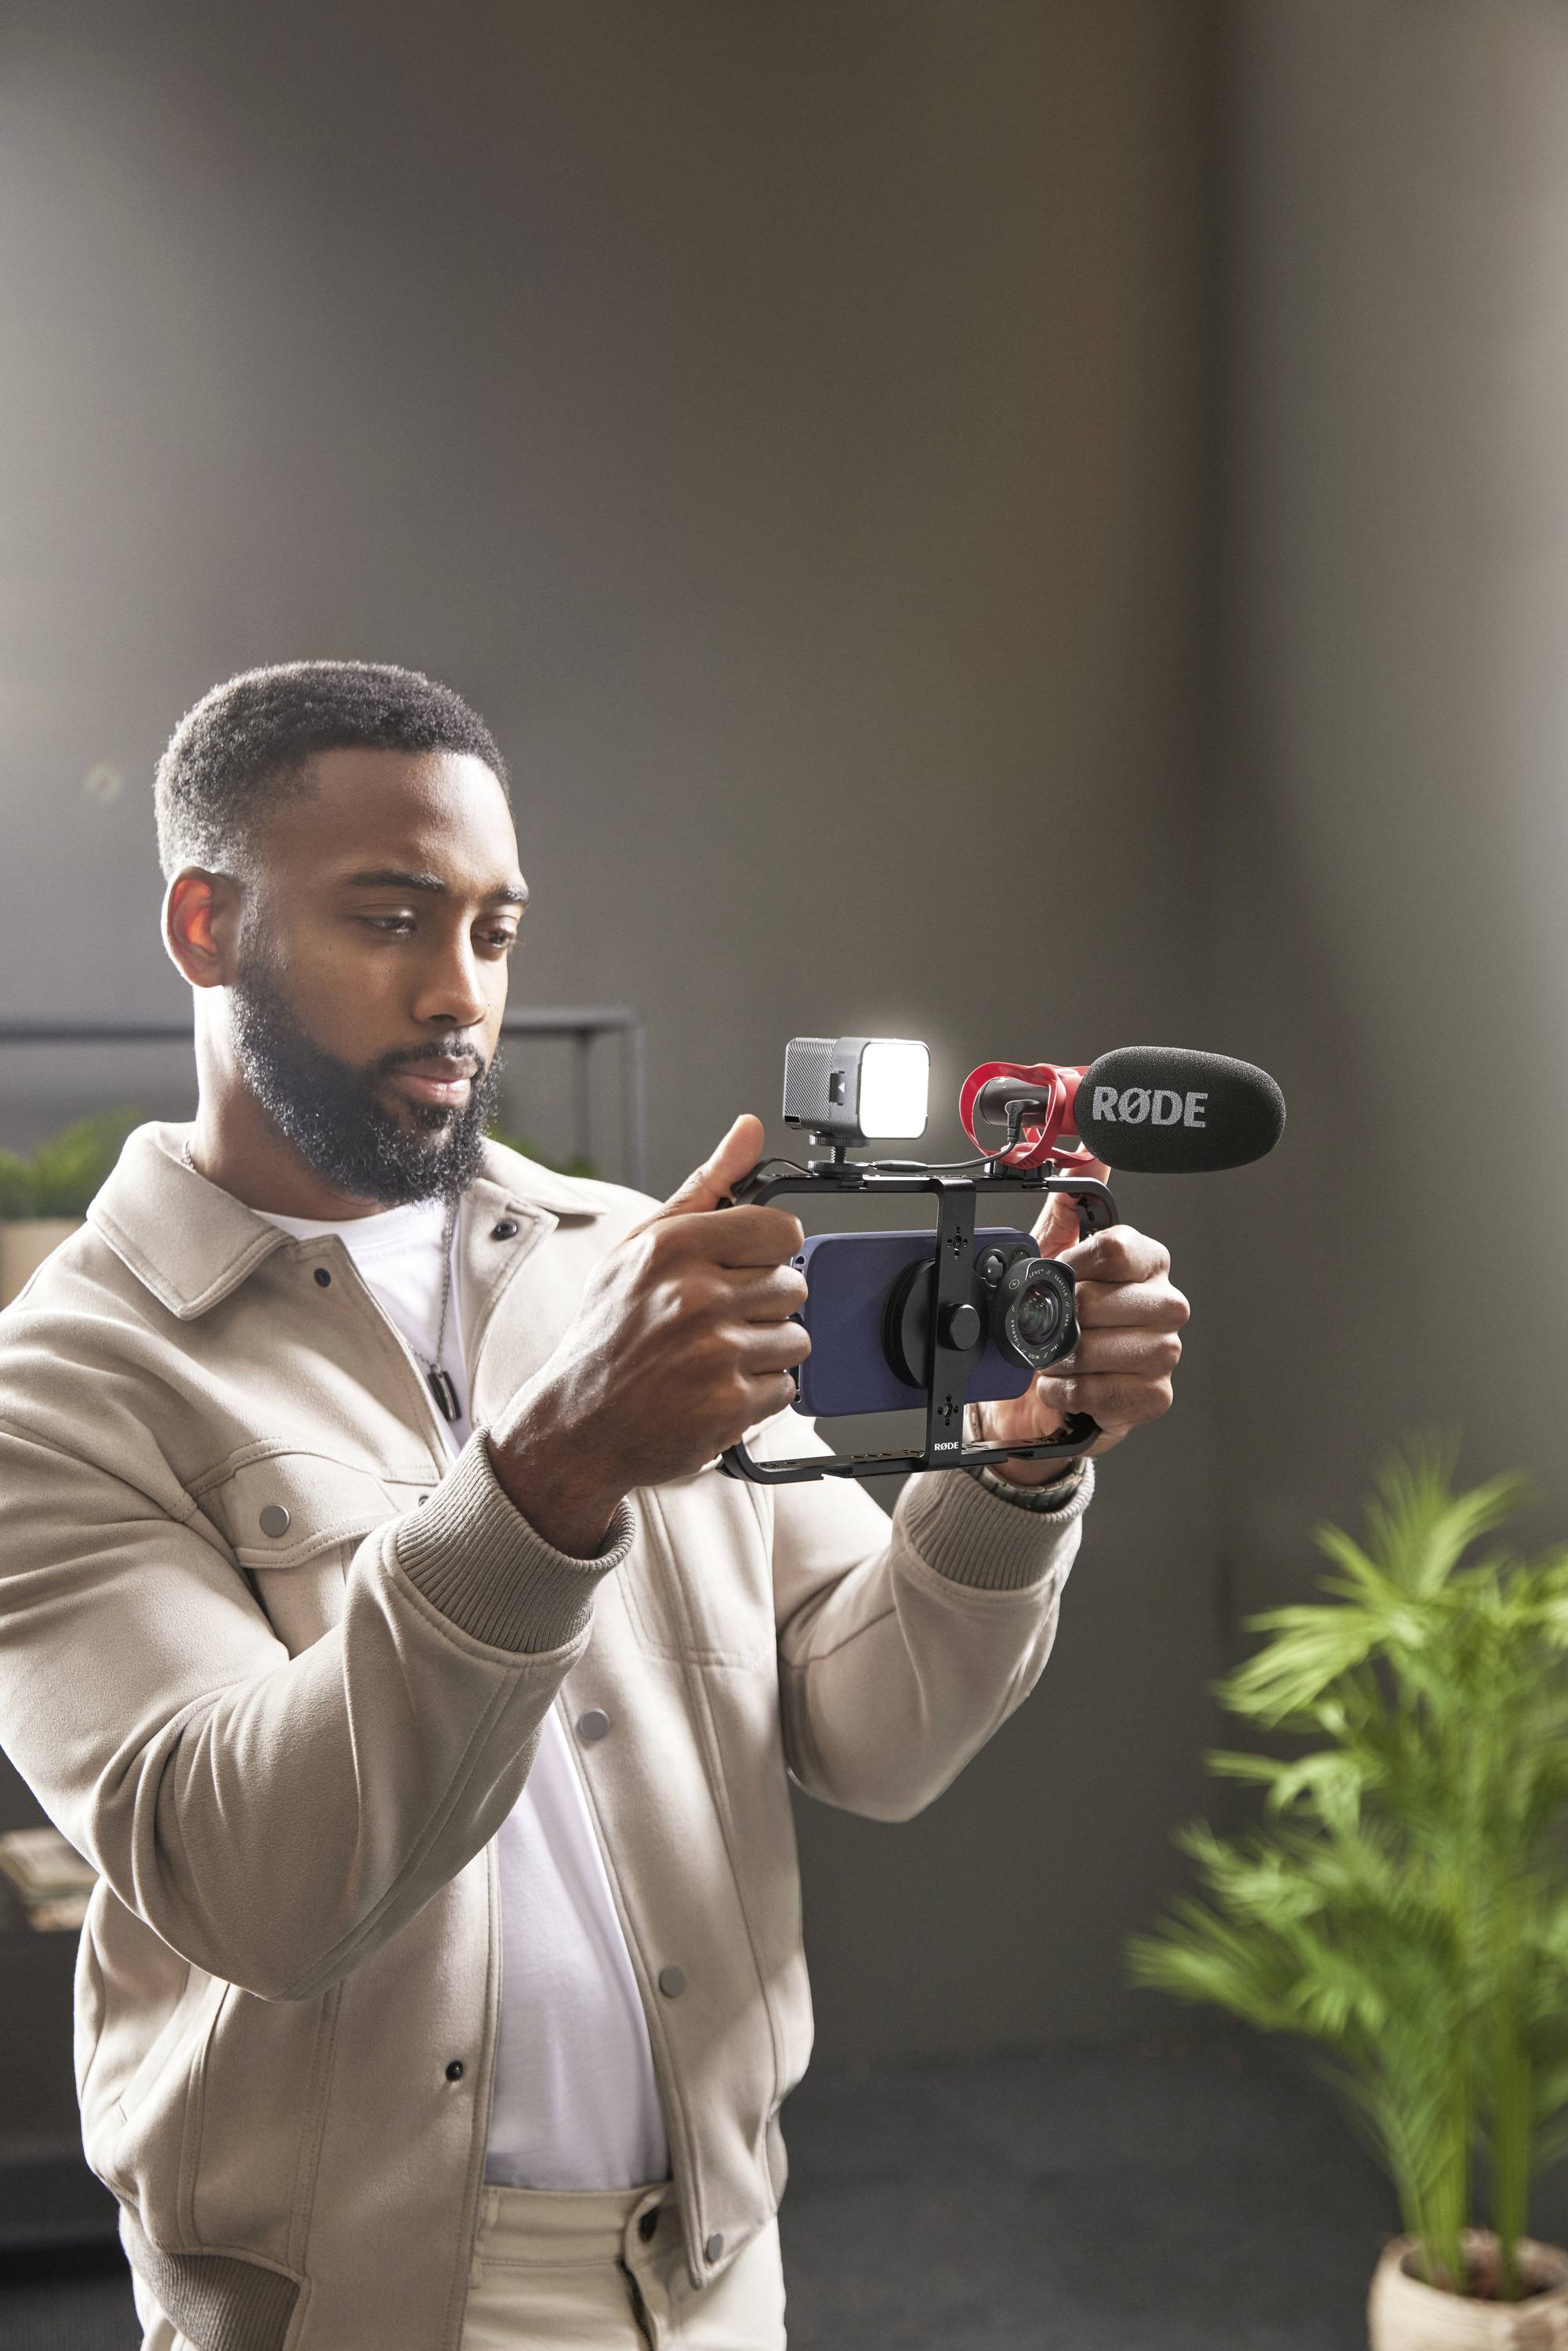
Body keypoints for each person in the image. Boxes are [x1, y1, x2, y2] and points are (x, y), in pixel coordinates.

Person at [0, 662, 1189, 2351]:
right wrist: (549, 1477)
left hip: (712, 2267)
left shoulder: (632, 1261)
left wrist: (1018, 1462)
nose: (457, 993)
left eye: (493, 932)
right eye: (390, 920)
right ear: (207, 926)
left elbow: (879, 1734)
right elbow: (252, 1887)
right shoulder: (61, 1387)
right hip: (363, 2313)